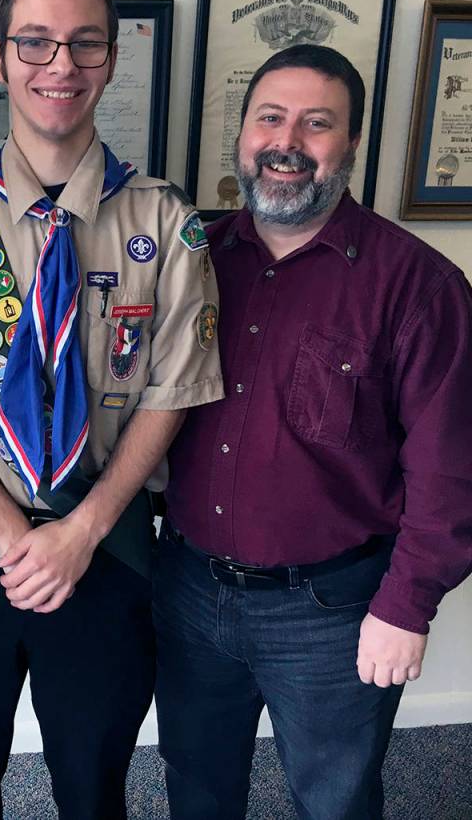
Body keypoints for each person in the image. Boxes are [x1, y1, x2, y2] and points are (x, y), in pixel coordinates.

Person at [0, 0, 223, 820]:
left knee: (94, 787)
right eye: (37, 44)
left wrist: (79, 532)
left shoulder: (165, 218)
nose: (62, 67)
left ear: (112, 60)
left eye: (86, 45)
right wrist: (17, 536)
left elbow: (173, 388)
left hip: (108, 541)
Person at [156, 44, 472, 819]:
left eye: (317, 123)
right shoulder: (186, 257)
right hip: (190, 593)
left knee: (334, 800)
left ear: (353, 143)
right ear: (243, 135)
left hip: (332, 611)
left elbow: (451, 473)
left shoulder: (420, 286)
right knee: (195, 788)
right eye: (270, 117)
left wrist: (406, 607)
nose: (287, 142)